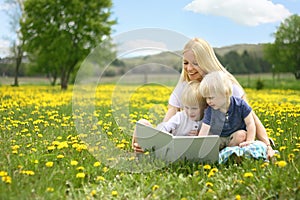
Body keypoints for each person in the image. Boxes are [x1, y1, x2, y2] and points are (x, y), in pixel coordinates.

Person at [132, 37, 275, 159]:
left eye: (195, 63)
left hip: (215, 139)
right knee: (142, 124)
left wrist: (267, 145)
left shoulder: (224, 86)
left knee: (239, 137)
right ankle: (139, 151)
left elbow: (252, 118)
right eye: (186, 63)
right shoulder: (183, 86)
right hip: (186, 137)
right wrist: (159, 139)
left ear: (206, 62)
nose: (189, 68)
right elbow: (171, 114)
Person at [197, 71, 256, 150]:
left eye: (211, 98)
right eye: (206, 98)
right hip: (219, 138)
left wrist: (250, 141)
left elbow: (250, 123)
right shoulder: (210, 110)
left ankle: (228, 151)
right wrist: (199, 146)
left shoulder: (240, 105)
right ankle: (221, 153)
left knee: (241, 135)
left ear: (225, 94)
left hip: (234, 138)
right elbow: (204, 130)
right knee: (208, 140)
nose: (208, 101)